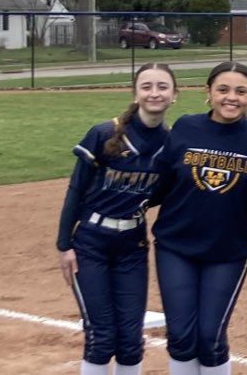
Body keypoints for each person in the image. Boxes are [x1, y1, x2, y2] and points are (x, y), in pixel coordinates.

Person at [146, 61, 247, 375]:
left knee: (210, 336)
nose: (231, 97)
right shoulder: (186, 127)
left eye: (240, 91)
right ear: (208, 93)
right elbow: (160, 182)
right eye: (223, 89)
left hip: (228, 251)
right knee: (180, 336)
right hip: (176, 245)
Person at [56, 63, 176, 375]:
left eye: (162, 86)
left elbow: (162, 192)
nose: (154, 93)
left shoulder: (171, 143)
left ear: (174, 95)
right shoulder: (104, 132)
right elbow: (76, 189)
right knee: (101, 336)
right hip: (91, 242)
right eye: (147, 86)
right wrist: (64, 244)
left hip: (132, 245)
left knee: (130, 340)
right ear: (135, 93)